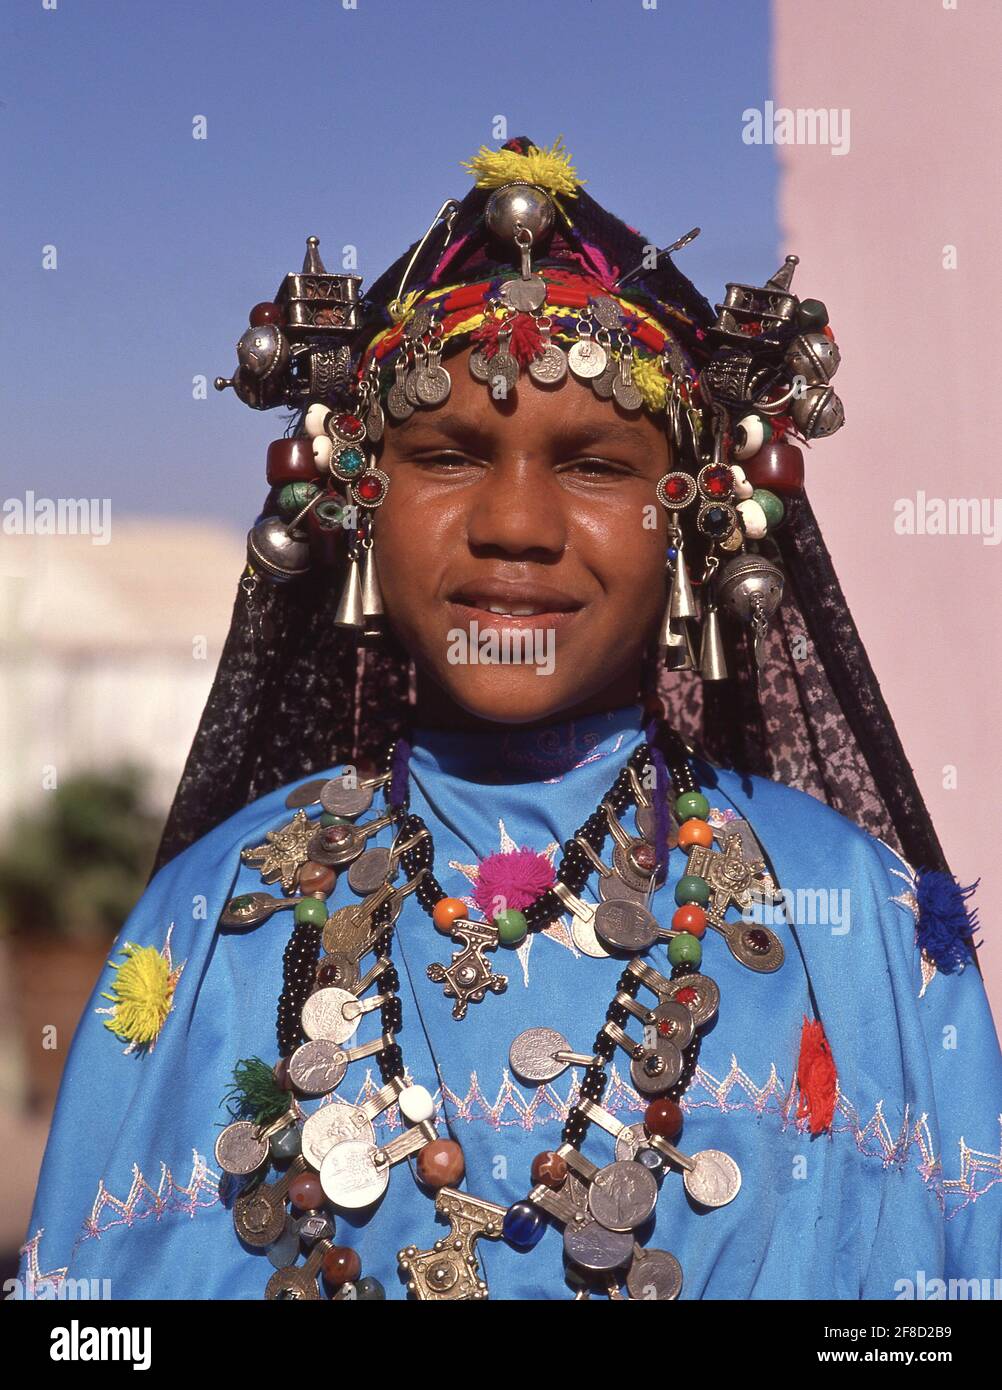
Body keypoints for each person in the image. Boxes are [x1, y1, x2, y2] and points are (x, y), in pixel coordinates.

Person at [18, 137, 1002, 1301]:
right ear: (356, 503)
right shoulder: (208, 929)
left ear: (690, 520)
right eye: (445, 455)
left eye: (593, 465)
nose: (517, 525)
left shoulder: (861, 926)